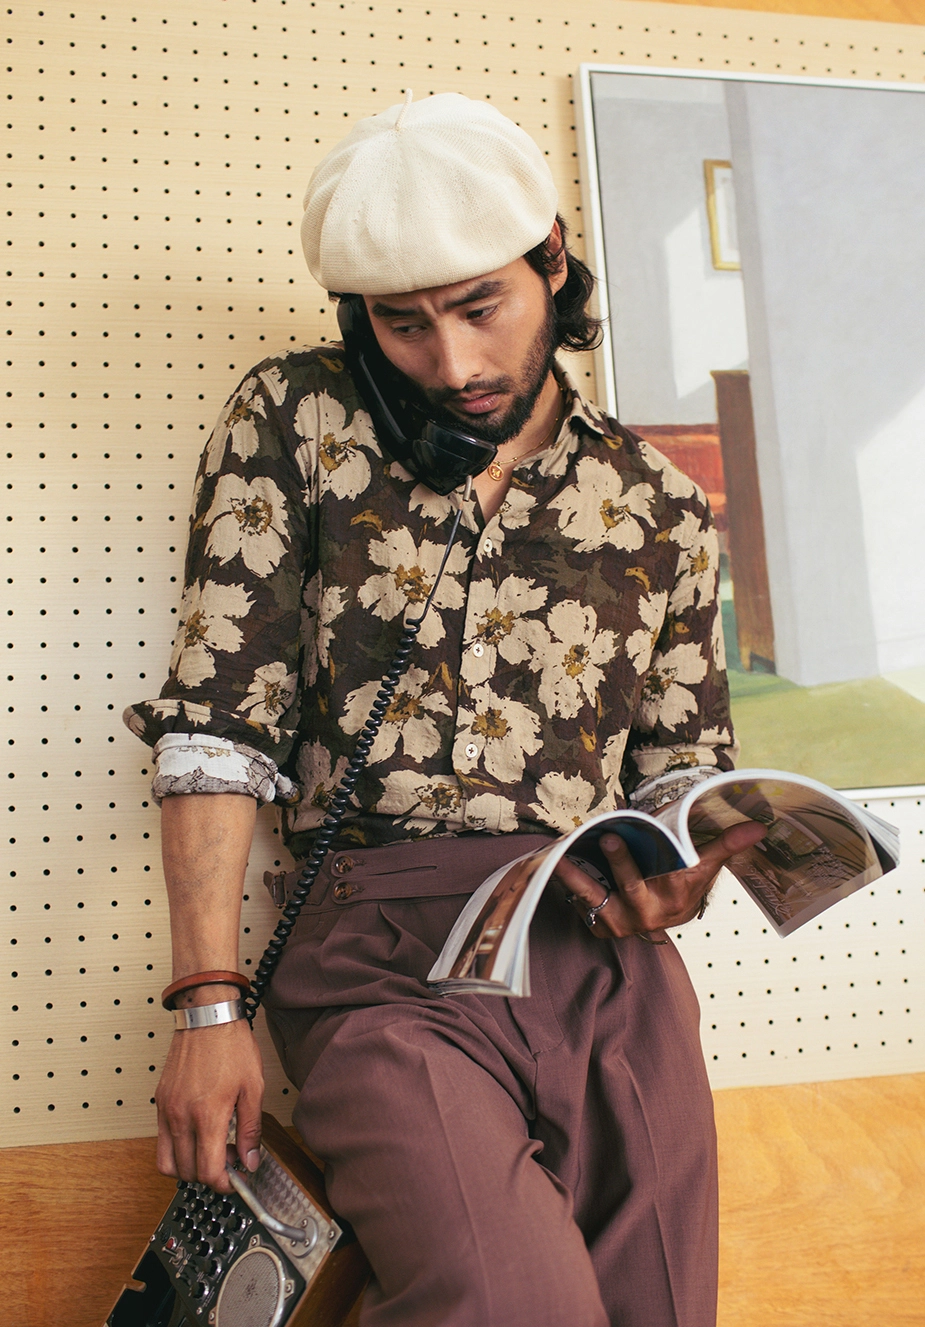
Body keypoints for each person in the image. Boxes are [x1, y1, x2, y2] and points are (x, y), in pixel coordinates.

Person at [125, 91, 764, 1327]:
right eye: (404, 324)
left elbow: (681, 765)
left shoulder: (660, 501)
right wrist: (209, 1005)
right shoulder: (297, 419)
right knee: (511, 1304)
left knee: (659, 1310)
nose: (455, 365)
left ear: (550, 261)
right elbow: (217, 721)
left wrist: (682, 870)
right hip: (378, 963)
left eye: (481, 308)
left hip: (607, 964)